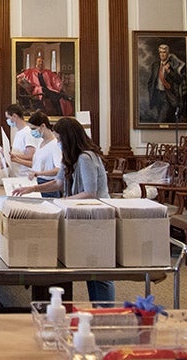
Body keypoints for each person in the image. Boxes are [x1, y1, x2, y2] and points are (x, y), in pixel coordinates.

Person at [12, 116, 113, 302]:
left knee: (98, 271)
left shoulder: (86, 157)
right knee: (88, 266)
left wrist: (62, 202)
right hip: (80, 215)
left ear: (69, 138)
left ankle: (104, 311)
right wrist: (33, 188)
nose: (57, 143)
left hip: (97, 216)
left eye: (59, 139)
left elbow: (90, 192)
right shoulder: (70, 156)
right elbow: (59, 182)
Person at [16, 52, 74, 116]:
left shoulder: (48, 72)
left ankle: (59, 114)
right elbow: (19, 77)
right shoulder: (30, 71)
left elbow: (56, 79)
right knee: (43, 89)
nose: (41, 63)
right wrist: (21, 80)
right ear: (36, 63)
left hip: (48, 91)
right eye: (39, 61)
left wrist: (60, 85)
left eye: (42, 62)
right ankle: (61, 96)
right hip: (37, 91)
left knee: (58, 99)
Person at [25, 111, 62, 197]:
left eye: (34, 129)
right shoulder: (40, 142)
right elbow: (37, 165)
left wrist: (40, 173)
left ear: (43, 126)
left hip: (49, 186)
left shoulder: (55, 144)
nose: (32, 132)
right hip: (38, 182)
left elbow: (59, 170)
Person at [147, 43, 186, 124]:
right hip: (157, 95)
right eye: (160, 52)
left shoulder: (174, 65)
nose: (162, 54)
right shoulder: (155, 65)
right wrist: (151, 92)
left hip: (168, 96)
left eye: (164, 52)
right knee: (165, 118)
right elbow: (151, 81)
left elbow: (179, 80)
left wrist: (169, 72)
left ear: (168, 54)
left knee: (161, 120)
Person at [3, 103, 36, 177]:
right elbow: (19, 152)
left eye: (8, 118)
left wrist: (12, 156)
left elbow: (31, 155)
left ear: (14, 116)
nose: (7, 121)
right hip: (16, 175)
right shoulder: (18, 132)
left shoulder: (27, 133)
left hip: (24, 175)